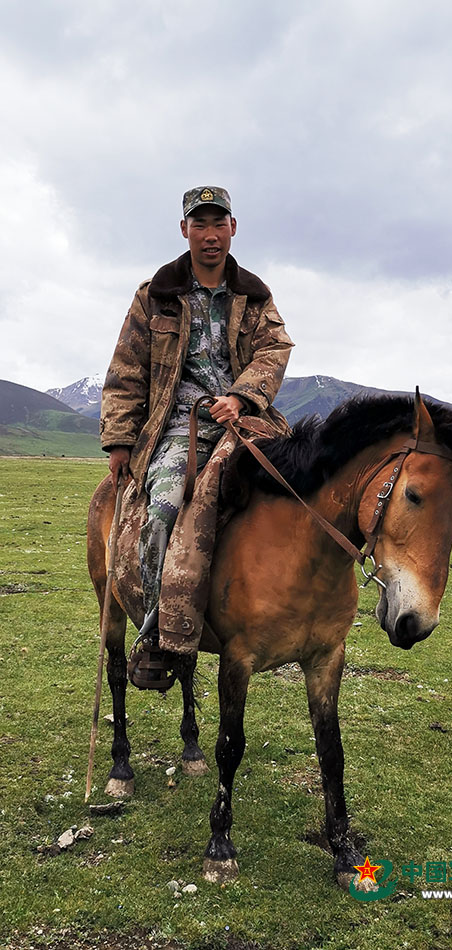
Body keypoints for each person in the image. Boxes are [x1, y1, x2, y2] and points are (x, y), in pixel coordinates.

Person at [100, 186, 293, 686]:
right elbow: (126, 370)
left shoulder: (254, 295)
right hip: (180, 425)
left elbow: (274, 350)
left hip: (245, 419)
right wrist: (121, 441)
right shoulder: (154, 295)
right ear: (185, 230)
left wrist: (244, 395)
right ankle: (156, 633)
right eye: (200, 224)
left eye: (218, 223)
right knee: (163, 508)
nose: (210, 234)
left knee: (297, 491)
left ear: (234, 227)